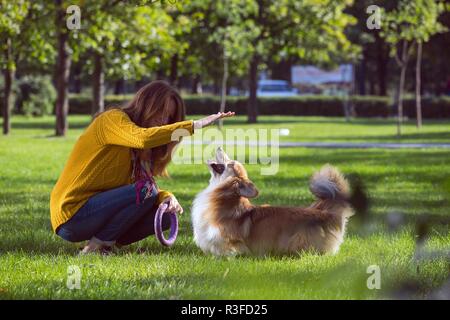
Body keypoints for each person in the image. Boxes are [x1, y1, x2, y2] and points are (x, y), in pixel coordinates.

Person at [50, 80, 235, 254]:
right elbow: (142, 139)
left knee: (164, 217)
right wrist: (195, 125)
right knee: (146, 190)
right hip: (73, 214)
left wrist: (167, 197)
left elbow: (144, 186)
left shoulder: (143, 152)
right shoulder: (112, 120)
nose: (163, 121)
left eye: (169, 117)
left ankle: (103, 242)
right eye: (160, 112)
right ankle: (98, 246)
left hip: (97, 212)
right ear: (146, 104)